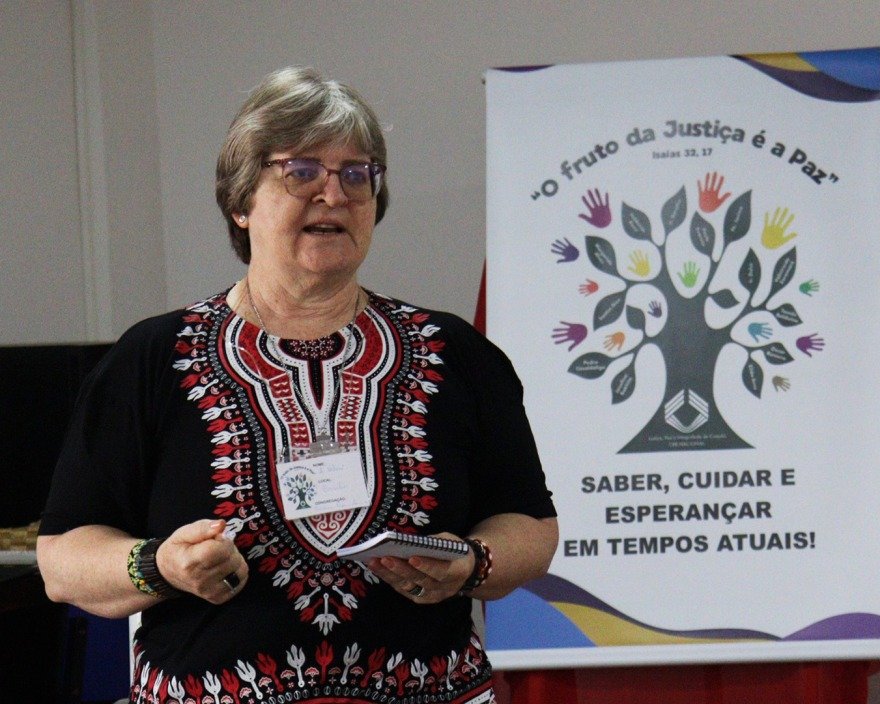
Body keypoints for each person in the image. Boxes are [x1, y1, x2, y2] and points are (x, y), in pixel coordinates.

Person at [37, 66, 558, 704]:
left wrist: (472, 562)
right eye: (302, 171)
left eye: (356, 174)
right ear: (240, 202)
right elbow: (63, 559)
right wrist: (161, 565)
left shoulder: (455, 354)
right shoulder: (151, 360)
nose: (334, 194)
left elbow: (532, 526)